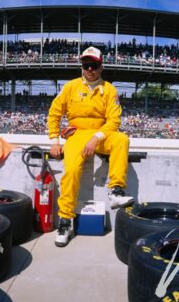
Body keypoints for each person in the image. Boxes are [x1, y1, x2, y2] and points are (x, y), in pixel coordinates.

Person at [46, 46, 134, 247]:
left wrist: (96, 138)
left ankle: (116, 191)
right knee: (71, 171)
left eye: (94, 65)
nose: (90, 69)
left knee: (122, 140)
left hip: (101, 133)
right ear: (82, 67)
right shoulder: (70, 87)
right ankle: (66, 221)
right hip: (77, 135)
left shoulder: (110, 89)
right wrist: (54, 141)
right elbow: (54, 114)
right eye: (86, 65)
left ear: (101, 67)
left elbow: (114, 120)